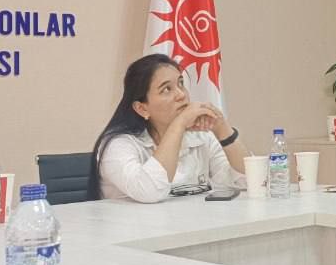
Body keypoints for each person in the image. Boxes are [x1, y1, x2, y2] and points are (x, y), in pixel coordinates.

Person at [87, 54, 249, 203]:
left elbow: (246, 182)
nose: (181, 95)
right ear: (142, 108)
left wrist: (222, 130)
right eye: (166, 89)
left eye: (181, 84)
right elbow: (150, 192)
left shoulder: (201, 137)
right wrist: (179, 124)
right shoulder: (118, 145)